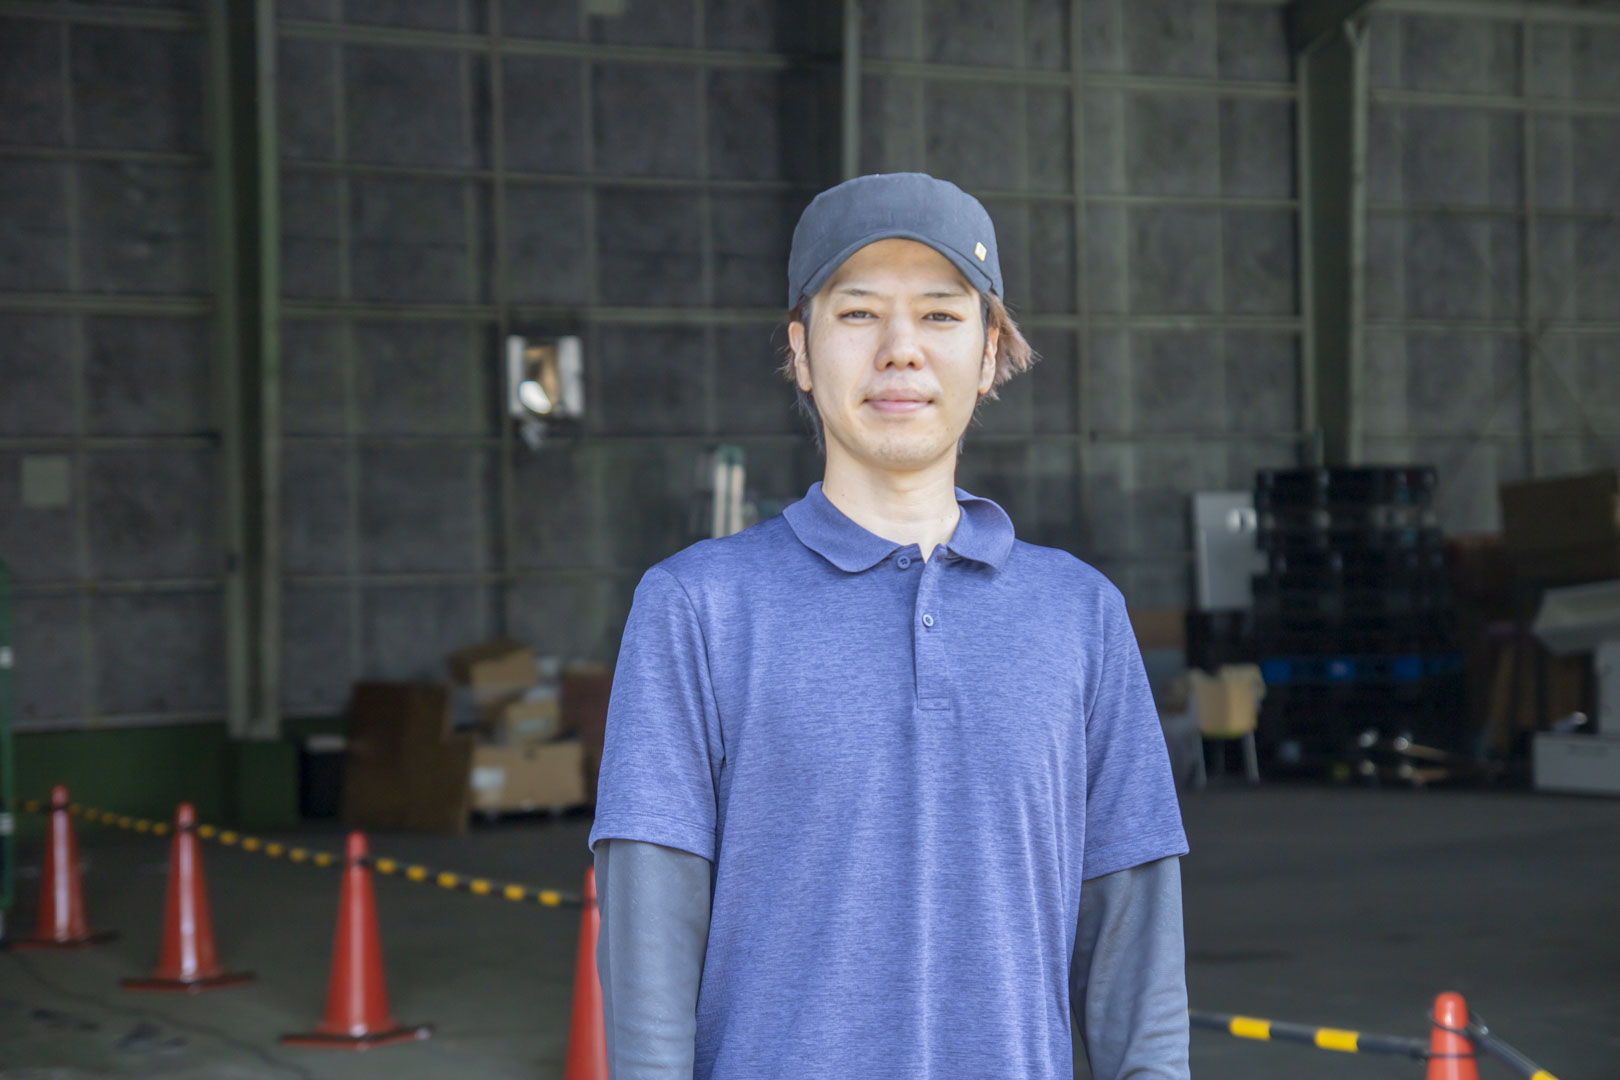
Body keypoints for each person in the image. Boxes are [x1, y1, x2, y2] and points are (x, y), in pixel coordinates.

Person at [588, 172, 1190, 1080]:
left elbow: (1135, 957)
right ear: (802, 350)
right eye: (859, 313)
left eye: (941, 315)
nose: (900, 350)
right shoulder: (697, 609)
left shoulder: (1080, 616)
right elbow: (649, 952)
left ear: (989, 353)